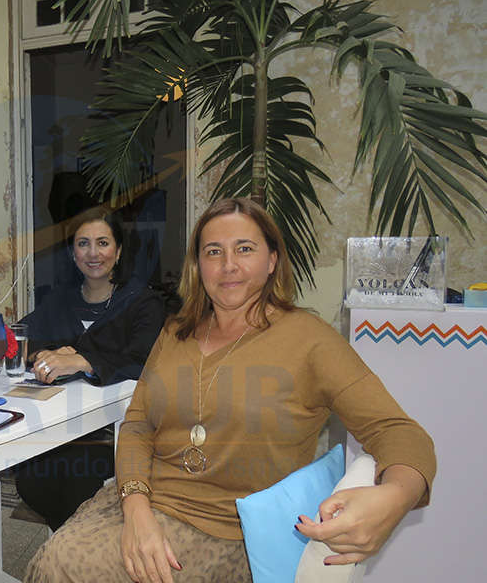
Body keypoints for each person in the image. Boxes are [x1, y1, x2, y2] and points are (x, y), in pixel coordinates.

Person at [24, 197, 435, 583]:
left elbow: (401, 433)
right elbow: (137, 426)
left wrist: (396, 498)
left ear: (272, 260)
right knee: (53, 555)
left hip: (227, 532)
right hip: (139, 501)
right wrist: (136, 509)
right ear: (198, 265)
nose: (228, 266)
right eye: (213, 252)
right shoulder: (176, 332)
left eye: (244, 249)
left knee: (64, 566)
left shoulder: (311, 341)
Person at [15, 208, 166, 531]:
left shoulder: (142, 302)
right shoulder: (61, 299)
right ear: (73, 253)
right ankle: (66, 549)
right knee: (31, 476)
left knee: (75, 478)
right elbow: (21, 337)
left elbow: (148, 362)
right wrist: (48, 354)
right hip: (58, 426)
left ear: (119, 250)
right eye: (83, 244)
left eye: (102, 242)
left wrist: (83, 361)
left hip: (117, 435)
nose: (93, 253)